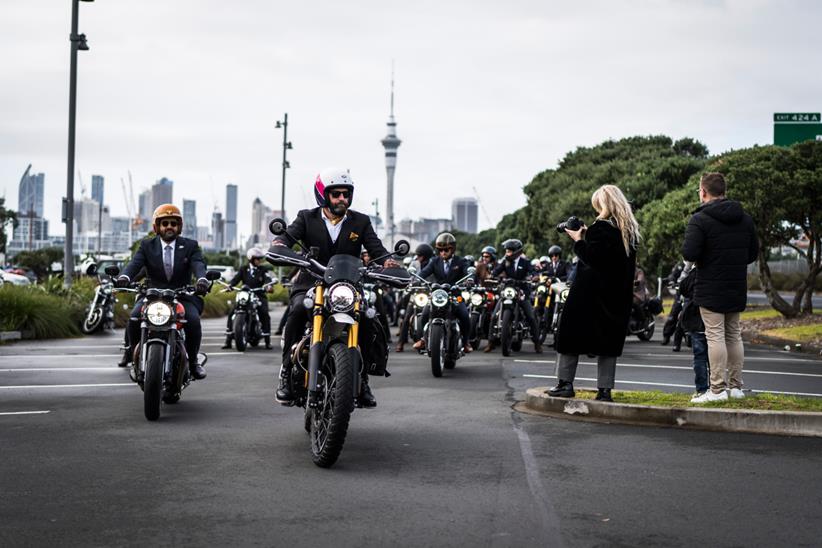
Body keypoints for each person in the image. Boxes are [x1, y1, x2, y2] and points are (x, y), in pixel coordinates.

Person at [272, 168, 399, 407]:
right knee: (298, 310)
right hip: (312, 281)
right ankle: (287, 371)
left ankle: (362, 377)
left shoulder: (360, 221)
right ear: (323, 195)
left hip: (347, 284)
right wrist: (280, 243)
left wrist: (387, 262)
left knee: (369, 319)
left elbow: (377, 249)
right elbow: (287, 238)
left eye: (346, 194)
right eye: (336, 194)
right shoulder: (306, 217)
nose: (342, 199)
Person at [548, 185, 640, 402]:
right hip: (617, 295)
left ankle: (565, 383)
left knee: (568, 336)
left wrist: (578, 240)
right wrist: (589, 234)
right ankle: (605, 389)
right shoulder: (629, 231)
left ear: (602, 204)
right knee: (608, 343)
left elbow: (594, 259)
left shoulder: (601, 228)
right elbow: (612, 259)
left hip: (589, 295)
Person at [683, 172, 758, 403]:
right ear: (724, 191)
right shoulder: (745, 219)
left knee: (714, 336)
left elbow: (689, 253)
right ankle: (736, 387)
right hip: (736, 285)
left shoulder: (700, 219)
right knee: (734, 335)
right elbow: (752, 254)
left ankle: (717, 390)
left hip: (710, 287)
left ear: (703, 192)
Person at [116, 204, 210, 380]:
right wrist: (125, 277)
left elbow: (198, 264)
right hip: (152, 296)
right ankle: (134, 358)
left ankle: (193, 363)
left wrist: (202, 280)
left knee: (193, 321)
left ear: (179, 227)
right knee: (135, 318)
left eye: (173, 223)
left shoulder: (190, 245)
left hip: (183, 296)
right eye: (164, 223)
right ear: (156, 227)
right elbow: (134, 264)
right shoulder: (146, 246)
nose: (169, 226)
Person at [412, 232, 473, 353]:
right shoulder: (434, 261)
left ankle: (466, 342)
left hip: (455, 295)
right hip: (437, 295)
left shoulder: (460, 261)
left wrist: (470, 279)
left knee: (465, 315)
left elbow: (467, 272)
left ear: (453, 249)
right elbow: (424, 272)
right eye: (440, 250)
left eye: (446, 250)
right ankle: (423, 339)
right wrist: (416, 279)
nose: (443, 252)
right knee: (424, 314)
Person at [492, 238, 542, 353]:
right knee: (494, 315)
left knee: (530, 316)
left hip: (522, 291)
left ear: (516, 251)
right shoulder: (505, 262)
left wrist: (535, 276)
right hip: (508, 291)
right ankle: (490, 341)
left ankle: (537, 343)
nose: (506, 253)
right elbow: (496, 271)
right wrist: (492, 276)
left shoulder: (525, 262)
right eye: (506, 251)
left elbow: (533, 271)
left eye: (509, 251)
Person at [221, 248, 275, 350]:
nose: (259, 261)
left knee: (264, 313)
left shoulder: (263, 269)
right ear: (251, 259)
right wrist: (230, 286)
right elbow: (235, 279)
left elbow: (267, 279)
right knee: (232, 312)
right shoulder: (243, 269)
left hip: (258, 294)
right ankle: (228, 340)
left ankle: (267, 341)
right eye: (257, 259)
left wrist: (268, 286)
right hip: (245, 294)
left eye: (260, 259)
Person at [678, 262, 710, 400]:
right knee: (715, 357)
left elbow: (683, 287)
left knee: (699, 357)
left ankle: (702, 389)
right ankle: (717, 387)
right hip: (713, 320)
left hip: (696, 321)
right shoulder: (716, 273)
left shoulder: (696, 273)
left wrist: (687, 267)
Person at [396, 243, 435, 352]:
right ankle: (401, 342)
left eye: (419, 255)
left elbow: (435, 279)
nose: (417, 257)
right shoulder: (414, 264)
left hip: (429, 293)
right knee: (407, 315)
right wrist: (409, 283)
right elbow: (410, 277)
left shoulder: (433, 263)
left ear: (425, 256)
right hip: (416, 292)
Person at [661, 261, 685, 347]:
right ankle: (666, 335)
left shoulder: (699, 263)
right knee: (674, 313)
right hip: (682, 294)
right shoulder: (680, 265)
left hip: (695, 294)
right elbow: (673, 276)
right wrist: (672, 282)